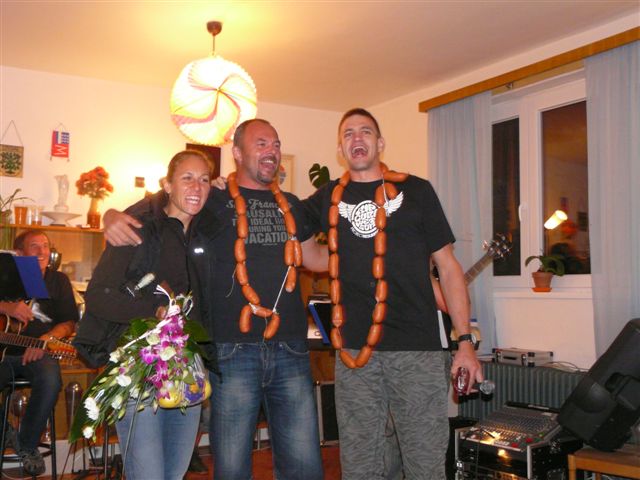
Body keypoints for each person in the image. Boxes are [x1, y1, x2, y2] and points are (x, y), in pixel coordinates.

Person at [102, 119, 326, 480]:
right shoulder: (212, 199)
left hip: (291, 348)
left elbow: (315, 258)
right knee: (232, 466)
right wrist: (111, 215)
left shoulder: (293, 205)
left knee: (304, 464)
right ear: (237, 152)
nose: (271, 151)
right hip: (231, 351)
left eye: (276, 144)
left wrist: (363, 256)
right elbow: (164, 205)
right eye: (261, 143)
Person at [303, 108, 482, 479]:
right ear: (340, 149)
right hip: (355, 353)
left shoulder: (417, 191)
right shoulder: (329, 197)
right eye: (348, 133)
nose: (357, 138)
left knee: (423, 463)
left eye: (365, 131)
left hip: (416, 351)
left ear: (380, 143)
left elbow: (449, 268)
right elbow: (306, 248)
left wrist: (464, 342)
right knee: (360, 464)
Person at [73, 150, 215, 480]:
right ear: (167, 184)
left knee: (174, 472)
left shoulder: (207, 235)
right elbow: (97, 297)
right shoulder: (137, 229)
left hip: (187, 367)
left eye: (204, 180)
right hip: (140, 367)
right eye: (187, 178)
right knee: (148, 474)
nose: (197, 187)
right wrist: (154, 311)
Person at [0, 230, 78, 476]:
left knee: (51, 380)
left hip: (38, 352)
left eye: (45, 245)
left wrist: (46, 340)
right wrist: (6, 307)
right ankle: (4, 430)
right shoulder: (4, 274)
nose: (42, 251)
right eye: (34, 246)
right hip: (3, 355)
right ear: (19, 253)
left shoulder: (58, 281)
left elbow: (69, 323)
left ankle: (27, 444)